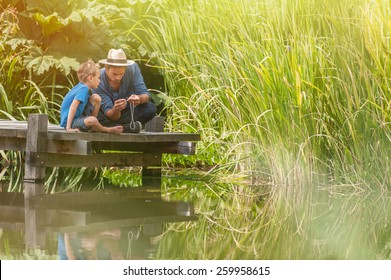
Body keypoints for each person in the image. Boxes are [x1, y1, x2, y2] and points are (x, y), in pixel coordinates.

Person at [93, 49, 157, 133]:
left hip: (128, 111)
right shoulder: (97, 79)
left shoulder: (133, 69)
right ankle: (124, 128)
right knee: (90, 111)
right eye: (115, 74)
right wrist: (116, 109)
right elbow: (109, 113)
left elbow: (146, 95)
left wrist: (139, 98)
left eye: (121, 74)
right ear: (107, 68)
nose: (118, 78)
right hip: (108, 113)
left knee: (150, 108)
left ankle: (111, 127)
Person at [60, 59, 123, 134]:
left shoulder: (82, 87)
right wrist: (68, 127)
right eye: (98, 78)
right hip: (72, 121)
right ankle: (106, 129)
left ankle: (94, 127)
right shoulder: (83, 89)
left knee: (96, 98)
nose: (99, 81)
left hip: (78, 117)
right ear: (90, 78)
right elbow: (73, 106)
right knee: (92, 120)